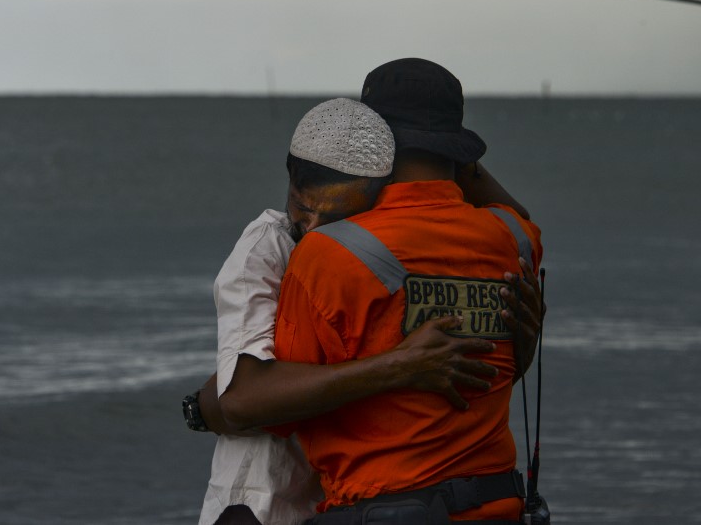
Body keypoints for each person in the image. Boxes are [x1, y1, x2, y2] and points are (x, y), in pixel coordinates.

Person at [191, 98, 542, 524]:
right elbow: (239, 401)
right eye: (303, 208)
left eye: (333, 216)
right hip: (258, 497)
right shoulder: (269, 249)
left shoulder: (360, 250)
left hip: (333, 500)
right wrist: (398, 366)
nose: (314, 227)